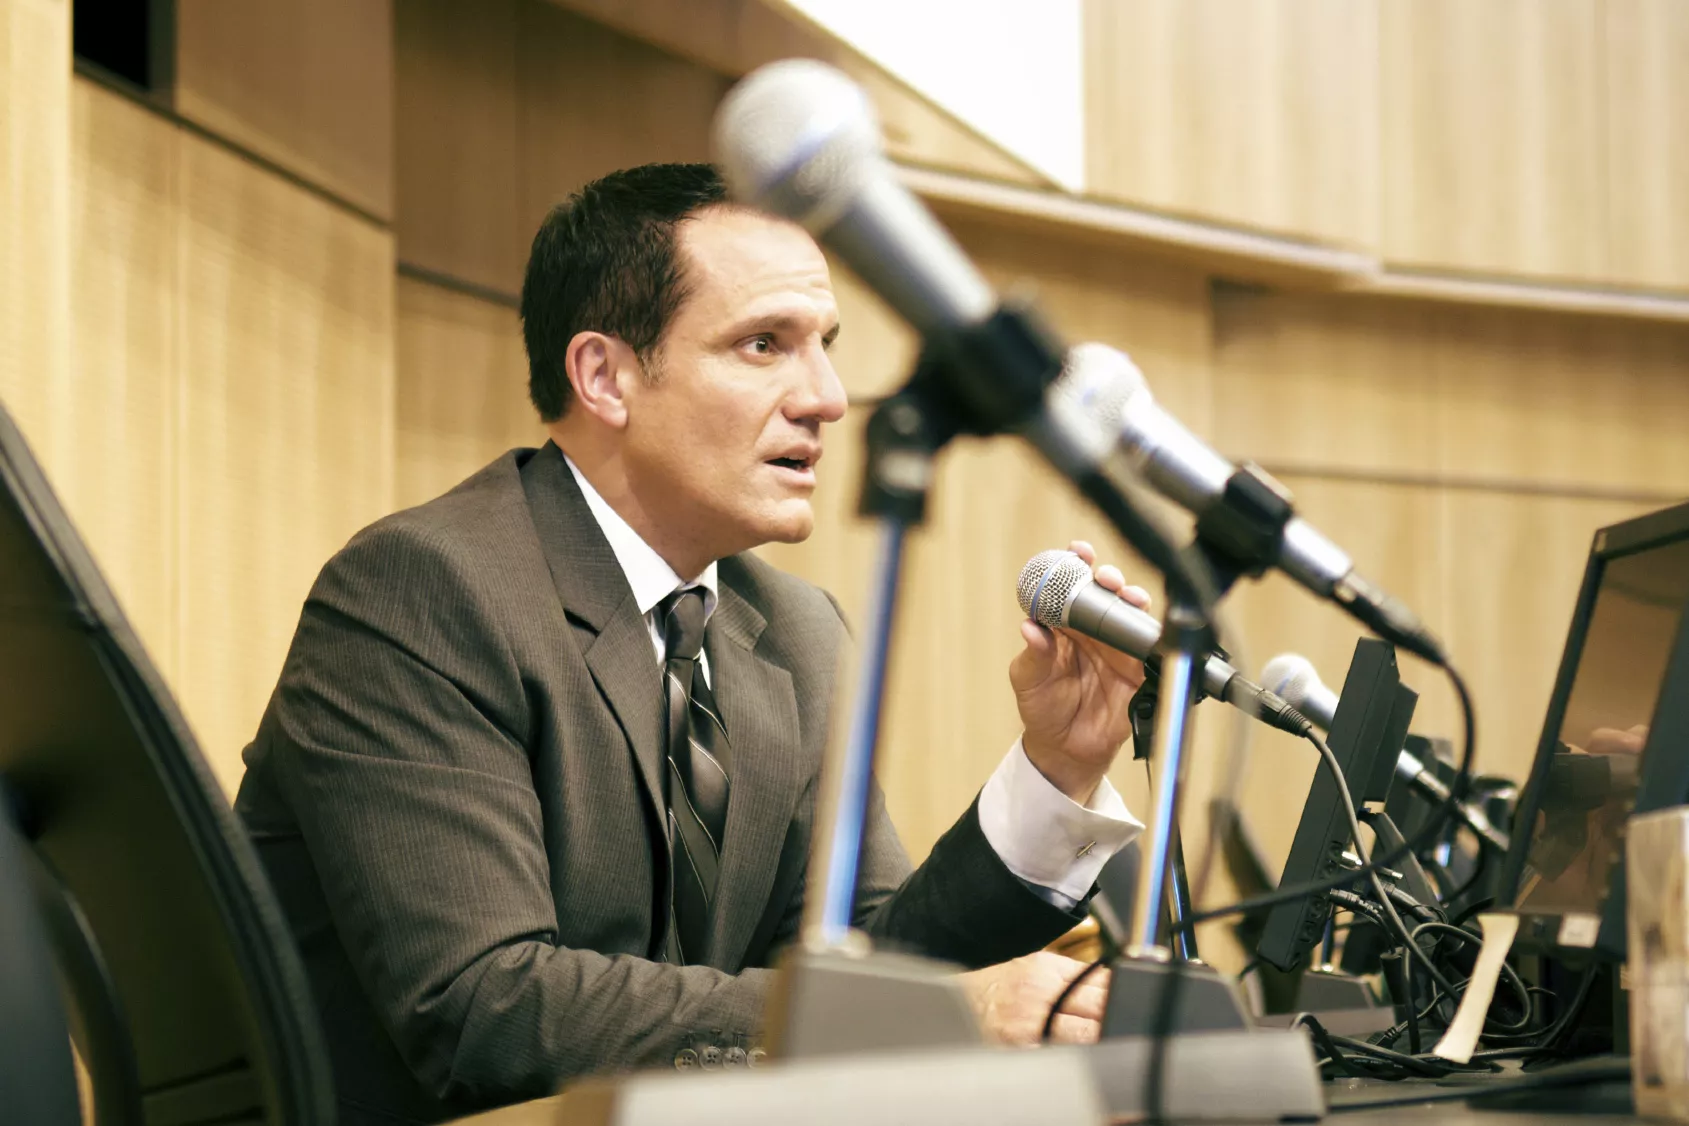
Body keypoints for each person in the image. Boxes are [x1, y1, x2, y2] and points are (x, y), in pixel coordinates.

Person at [235, 163, 1149, 1124]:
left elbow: (874, 963)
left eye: (824, 348)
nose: (828, 398)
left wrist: (1055, 772)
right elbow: (482, 1008)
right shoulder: (423, 590)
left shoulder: (799, 634)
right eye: (764, 344)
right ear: (604, 377)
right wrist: (938, 1015)